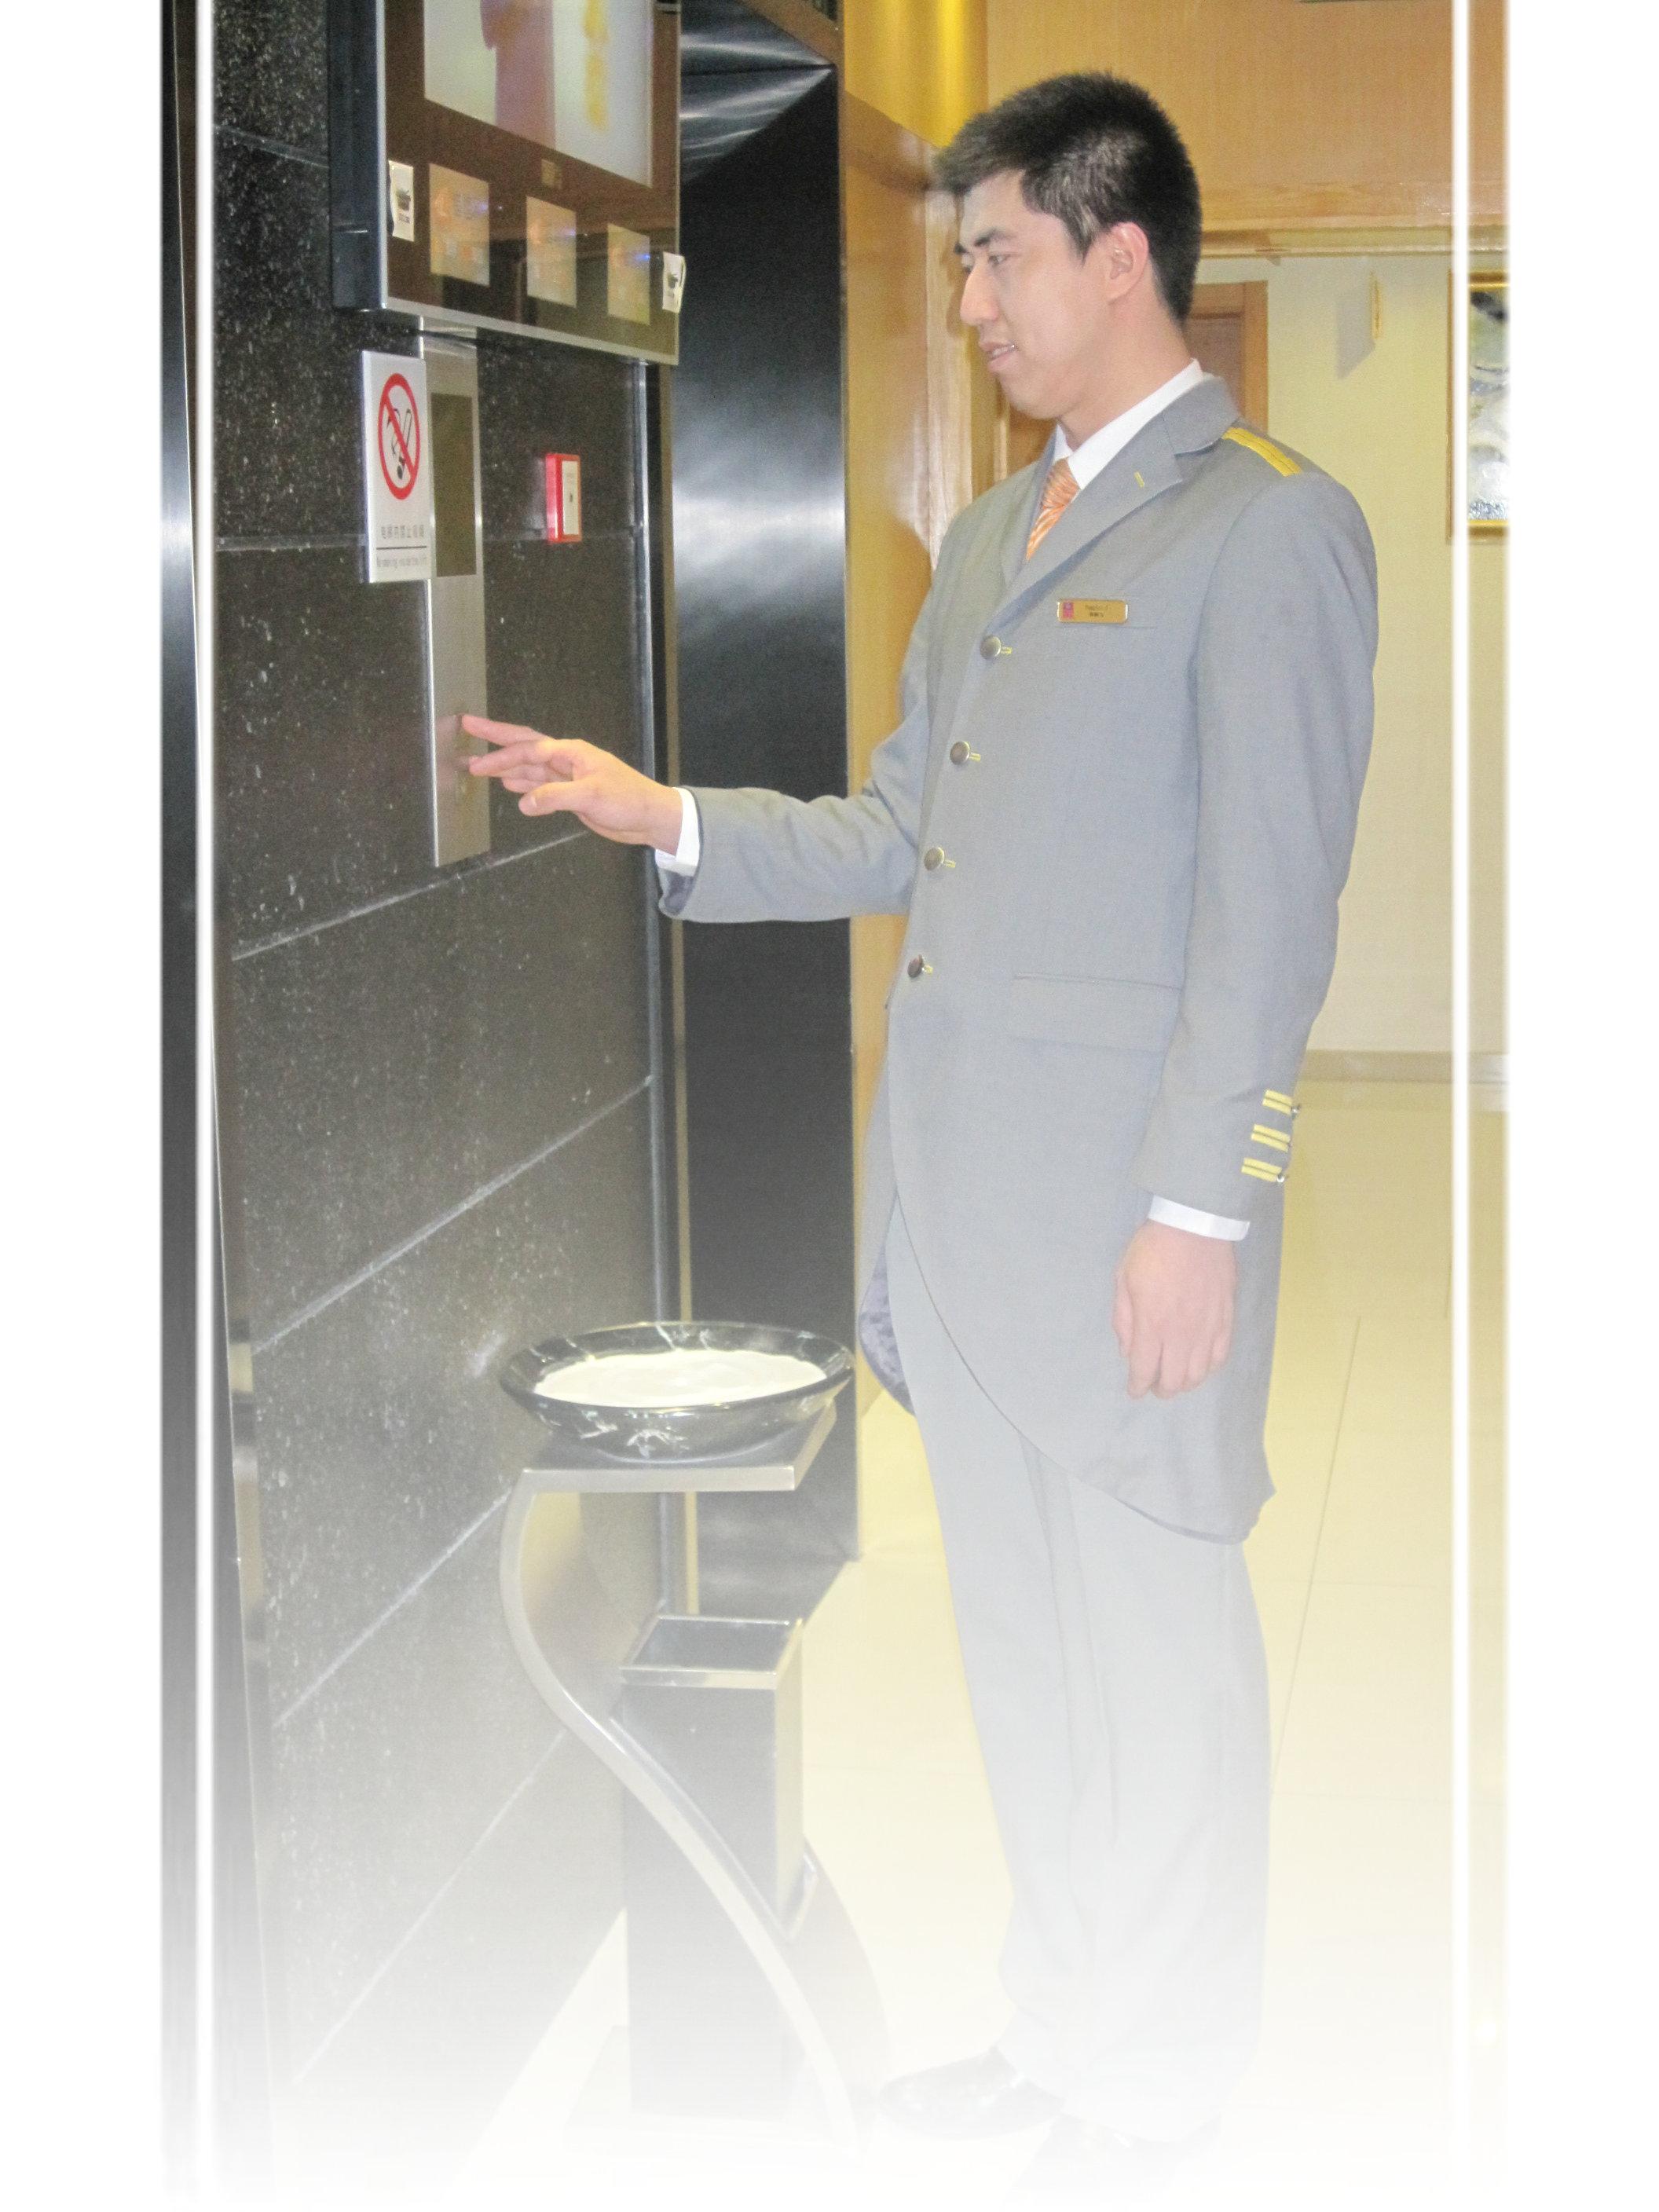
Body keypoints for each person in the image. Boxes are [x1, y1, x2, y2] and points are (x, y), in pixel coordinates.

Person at [465, 71, 1377, 2205]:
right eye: (965, 262)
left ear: (1117, 255)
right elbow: (901, 832)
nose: (968, 301)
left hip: (1132, 1237)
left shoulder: (1268, 528)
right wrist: (666, 814)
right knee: (1032, 1672)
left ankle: (1162, 2090)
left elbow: (1268, 924)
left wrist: (1200, 1215)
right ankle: (1063, 2038)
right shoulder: (994, 535)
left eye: (993, 255)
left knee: (1156, 1676)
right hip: (964, 1229)